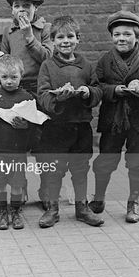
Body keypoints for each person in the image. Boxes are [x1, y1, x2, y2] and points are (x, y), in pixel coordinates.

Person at [89, 10, 139, 223]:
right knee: (105, 161)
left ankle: (133, 203)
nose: (121, 38)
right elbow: (97, 87)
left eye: (127, 34)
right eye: (116, 34)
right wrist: (116, 90)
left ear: (137, 37)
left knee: (137, 163)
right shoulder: (105, 60)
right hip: (113, 119)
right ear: (111, 37)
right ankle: (98, 198)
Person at [36, 16, 104, 228]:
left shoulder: (86, 65)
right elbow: (42, 95)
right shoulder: (47, 65)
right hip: (56, 127)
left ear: (78, 39)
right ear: (53, 40)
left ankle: (82, 208)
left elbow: (98, 89)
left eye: (70, 36)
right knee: (54, 169)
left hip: (81, 125)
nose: (65, 41)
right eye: (60, 37)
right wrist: (58, 98)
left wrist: (87, 92)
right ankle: (52, 209)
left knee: (80, 168)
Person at [0, 0, 53, 208]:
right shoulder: (8, 32)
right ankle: (18, 190)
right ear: (11, 10)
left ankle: (47, 191)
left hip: (39, 89)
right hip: (16, 90)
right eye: (17, 6)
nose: (22, 10)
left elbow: (48, 57)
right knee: (17, 142)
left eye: (27, 6)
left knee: (42, 143)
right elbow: (4, 60)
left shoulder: (45, 28)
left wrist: (30, 36)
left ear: (36, 8)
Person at [0, 56, 34, 230]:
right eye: (4, 77)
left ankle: (16, 211)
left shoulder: (27, 97)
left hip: (18, 150)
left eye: (14, 77)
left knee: (17, 184)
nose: (9, 81)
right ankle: (2, 212)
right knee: (0, 183)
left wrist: (26, 125)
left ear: (21, 76)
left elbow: (35, 123)